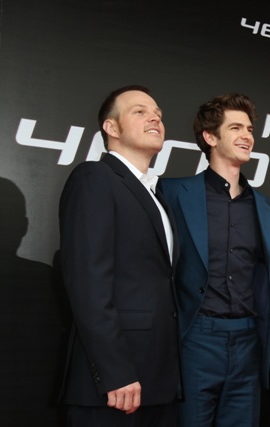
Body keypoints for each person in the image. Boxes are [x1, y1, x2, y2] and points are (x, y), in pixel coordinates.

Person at [58, 85, 181, 426]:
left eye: (157, 113)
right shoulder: (94, 178)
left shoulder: (156, 193)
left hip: (159, 380)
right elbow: (88, 283)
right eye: (140, 112)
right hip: (115, 385)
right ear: (111, 128)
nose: (154, 118)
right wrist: (115, 371)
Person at [158, 93, 270, 427]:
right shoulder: (173, 193)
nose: (247, 136)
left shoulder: (265, 207)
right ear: (210, 137)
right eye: (235, 128)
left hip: (249, 341)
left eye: (249, 129)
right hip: (196, 338)